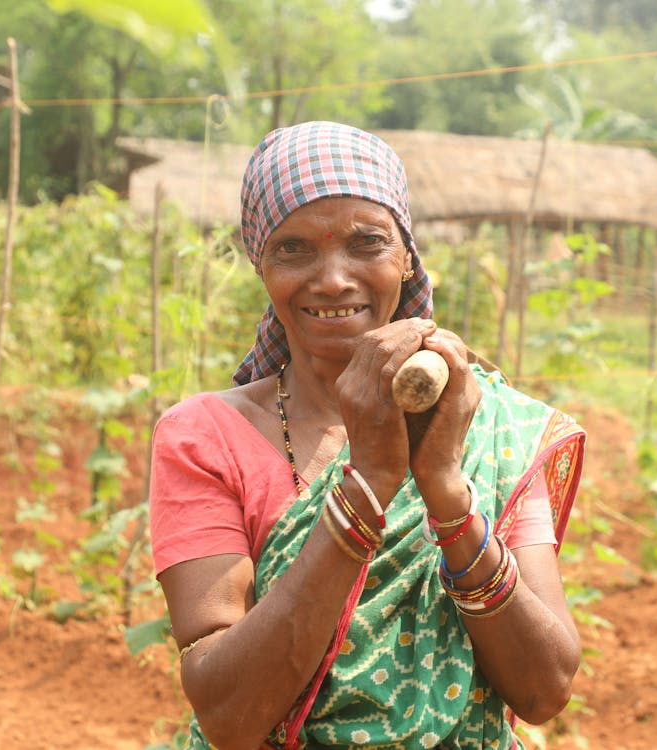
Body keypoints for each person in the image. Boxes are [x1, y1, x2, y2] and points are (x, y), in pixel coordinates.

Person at [149, 121, 587, 750]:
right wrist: (370, 484)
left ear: (406, 255)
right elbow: (230, 715)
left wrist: (444, 490)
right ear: (261, 266)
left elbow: (545, 689)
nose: (332, 279)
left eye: (366, 243)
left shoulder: (485, 423)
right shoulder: (206, 436)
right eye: (293, 248)